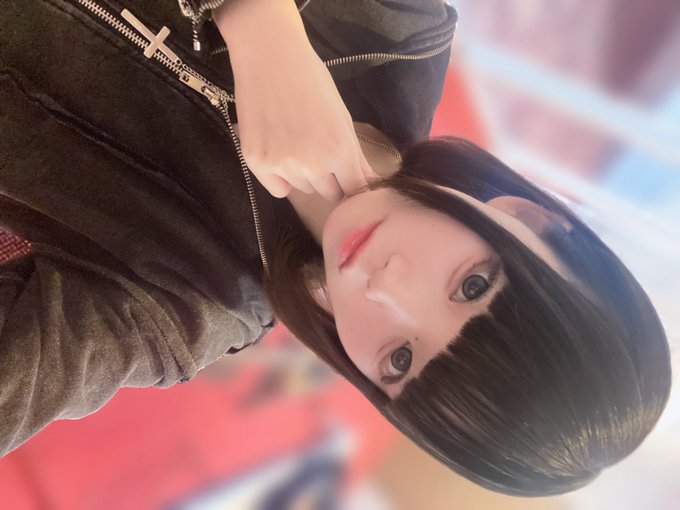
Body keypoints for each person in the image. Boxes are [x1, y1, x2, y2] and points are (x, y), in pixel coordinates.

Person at [0, 0, 671, 497]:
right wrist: (262, 26)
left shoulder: (188, 302)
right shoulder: (398, 28)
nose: (383, 288)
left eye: (400, 359)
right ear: (530, 220)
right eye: (471, 286)